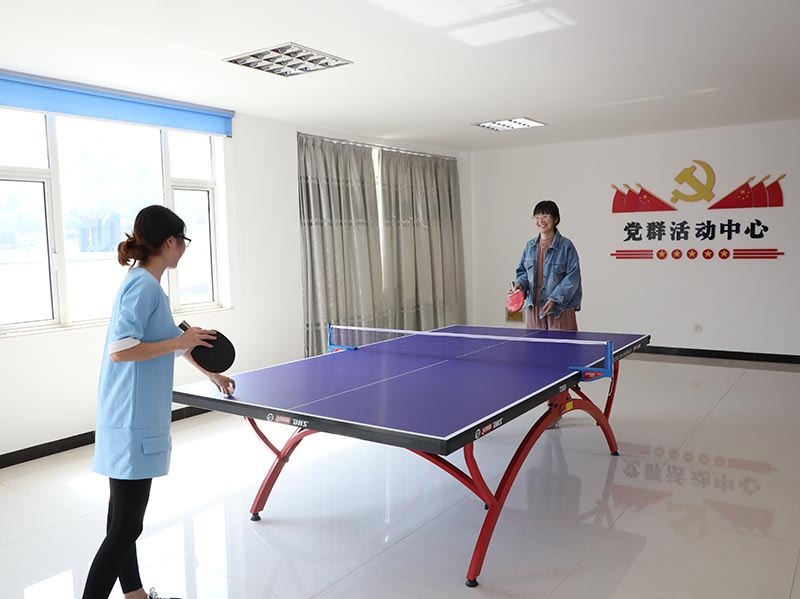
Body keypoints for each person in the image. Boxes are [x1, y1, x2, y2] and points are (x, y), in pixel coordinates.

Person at [82, 205, 235, 599]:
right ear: (169, 241)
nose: (184, 248)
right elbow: (121, 350)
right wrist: (180, 341)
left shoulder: (143, 282)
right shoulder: (145, 287)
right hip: (133, 421)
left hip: (128, 417)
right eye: (183, 240)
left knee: (121, 523)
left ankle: (134, 595)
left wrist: (209, 371)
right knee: (126, 527)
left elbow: (170, 340)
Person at [512, 199, 582, 331]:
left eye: (545, 216)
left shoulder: (566, 246)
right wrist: (520, 285)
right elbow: (523, 273)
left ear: (555, 219)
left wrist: (554, 299)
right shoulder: (529, 246)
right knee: (534, 344)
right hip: (534, 308)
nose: (540, 220)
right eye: (537, 217)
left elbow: (573, 278)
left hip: (559, 308)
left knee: (562, 344)